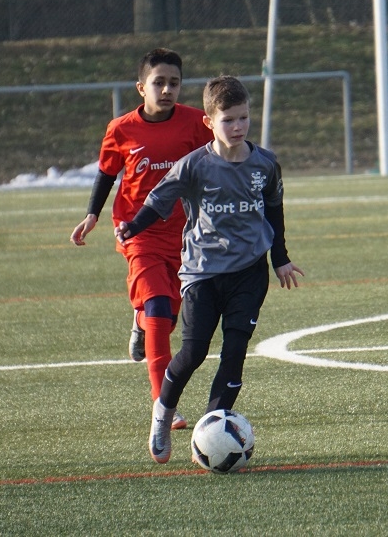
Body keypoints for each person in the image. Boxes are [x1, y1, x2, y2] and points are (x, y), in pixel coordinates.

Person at [115, 75, 304, 464]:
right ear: (209, 122)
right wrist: (133, 227)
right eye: (228, 120)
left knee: (235, 350)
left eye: (243, 118)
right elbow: (157, 202)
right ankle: (162, 412)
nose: (237, 127)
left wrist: (280, 257)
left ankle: (212, 429)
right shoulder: (194, 166)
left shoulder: (265, 164)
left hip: (249, 272)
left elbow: (274, 209)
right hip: (202, 272)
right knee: (194, 350)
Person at [70, 48, 212, 431]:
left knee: (166, 317)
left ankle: (140, 320)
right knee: (158, 310)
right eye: (158, 82)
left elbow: (214, 160)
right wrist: (92, 214)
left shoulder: (196, 123)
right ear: (141, 88)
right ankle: (163, 404)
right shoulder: (121, 129)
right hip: (137, 232)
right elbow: (106, 173)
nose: (166, 89)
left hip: (184, 235)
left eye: (174, 83)